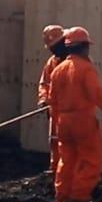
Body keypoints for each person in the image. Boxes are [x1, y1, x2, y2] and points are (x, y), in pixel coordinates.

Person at [48, 26, 102, 202]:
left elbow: (51, 100)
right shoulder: (86, 69)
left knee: (66, 160)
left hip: (63, 122)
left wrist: (56, 123)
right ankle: (79, 198)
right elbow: (96, 94)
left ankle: (62, 198)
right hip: (83, 120)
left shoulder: (57, 70)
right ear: (84, 46)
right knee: (91, 160)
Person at [36, 24, 68, 174]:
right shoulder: (52, 62)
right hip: (54, 109)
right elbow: (44, 83)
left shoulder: (74, 62)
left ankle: (66, 171)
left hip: (69, 111)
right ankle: (54, 169)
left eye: (54, 46)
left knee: (68, 143)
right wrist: (43, 100)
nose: (52, 50)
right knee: (54, 140)